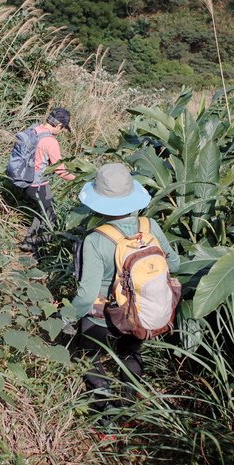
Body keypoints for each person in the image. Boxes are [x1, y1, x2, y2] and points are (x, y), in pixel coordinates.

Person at [61, 163, 180, 413]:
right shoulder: (150, 226)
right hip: (138, 311)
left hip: (103, 317)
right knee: (130, 352)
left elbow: (86, 295)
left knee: (88, 355)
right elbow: (175, 263)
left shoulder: (95, 240)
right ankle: (128, 403)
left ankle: (104, 408)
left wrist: (64, 318)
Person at [21, 107, 76, 252]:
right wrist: (79, 180)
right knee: (50, 217)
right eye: (63, 129)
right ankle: (42, 251)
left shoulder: (34, 130)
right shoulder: (50, 141)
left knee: (42, 211)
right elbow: (61, 171)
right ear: (58, 126)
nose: (62, 132)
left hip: (24, 180)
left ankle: (28, 242)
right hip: (38, 185)